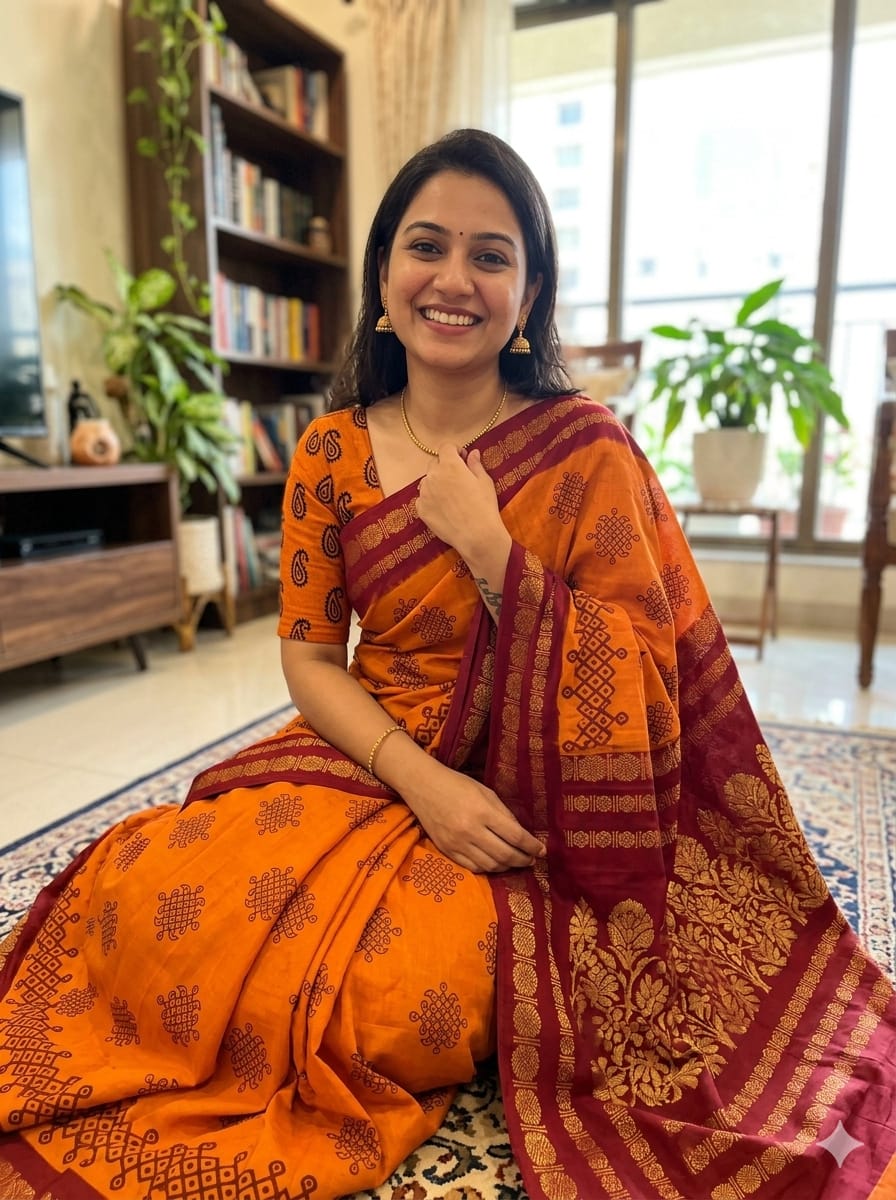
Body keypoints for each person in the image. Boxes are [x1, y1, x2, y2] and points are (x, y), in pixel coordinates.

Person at [1, 128, 894, 1200]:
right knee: (145, 896)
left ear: (529, 293)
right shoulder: (330, 450)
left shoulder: (585, 448)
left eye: (490, 255)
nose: (454, 280)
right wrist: (422, 783)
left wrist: (494, 555)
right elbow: (308, 657)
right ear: (384, 272)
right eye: (426, 246)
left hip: (533, 786)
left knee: (399, 991)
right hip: (373, 752)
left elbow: (643, 679)